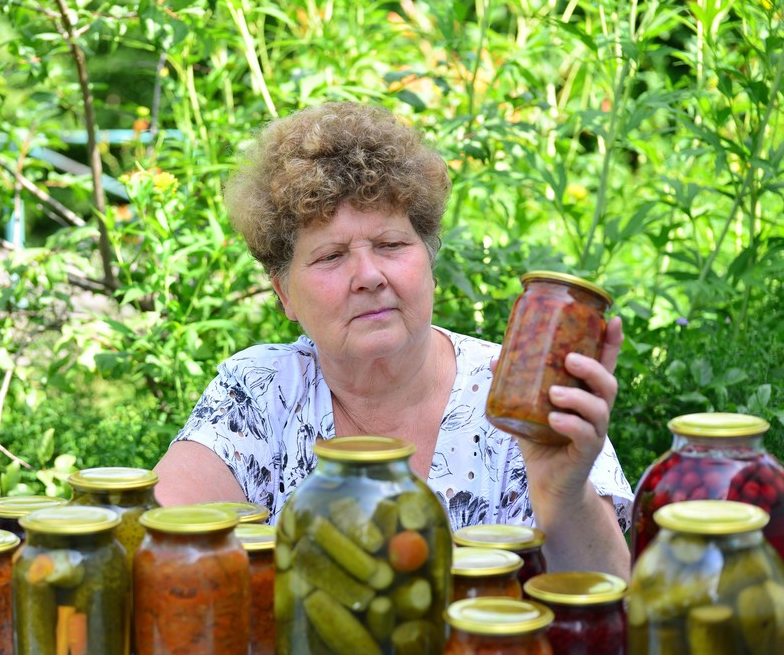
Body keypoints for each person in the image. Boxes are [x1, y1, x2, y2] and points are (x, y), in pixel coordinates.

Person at [153, 101, 633, 578]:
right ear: (284, 295)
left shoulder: (519, 400)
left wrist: (562, 493)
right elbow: (162, 535)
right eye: (331, 256)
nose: (368, 276)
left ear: (430, 263)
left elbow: (606, 597)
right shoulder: (260, 390)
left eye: (391, 245)